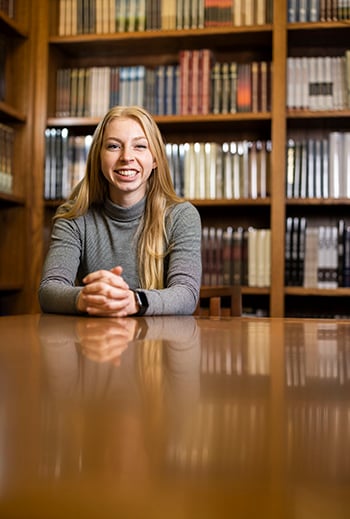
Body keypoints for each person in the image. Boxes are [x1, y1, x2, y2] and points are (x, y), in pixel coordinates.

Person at [39, 105, 202, 317]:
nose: (126, 157)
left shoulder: (181, 216)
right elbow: (49, 290)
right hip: (94, 341)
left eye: (140, 146)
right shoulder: (74, 216)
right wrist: (87, 297)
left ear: (155, 160)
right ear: (99, 157)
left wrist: (134, 301)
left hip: (157, 343)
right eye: (114, 146)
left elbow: (186, 294)